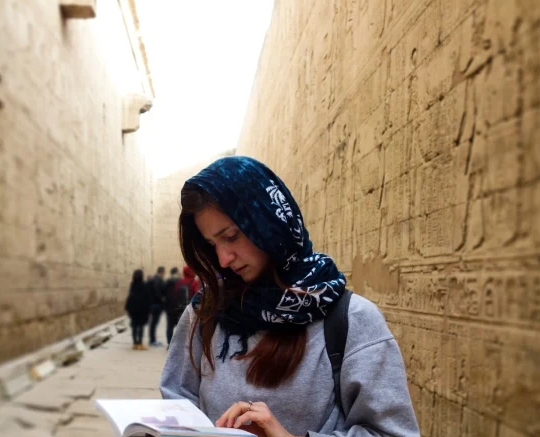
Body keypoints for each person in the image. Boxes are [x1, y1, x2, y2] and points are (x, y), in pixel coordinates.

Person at [160, 156, 419, 437]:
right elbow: (177, 401)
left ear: (269, 223)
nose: (223, 259)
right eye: (212, 244)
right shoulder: (206, 312)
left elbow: (392, 432)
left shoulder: (351, 319)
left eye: (232, 236)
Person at [165, 265, 202, 345]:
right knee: (186, 328)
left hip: (176, 307)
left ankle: (170, 344)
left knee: (171, 326)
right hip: (189, 308)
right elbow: (196, 295)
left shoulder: (179, 282)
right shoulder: (194, 282)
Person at [125, 269, 150, 350]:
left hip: (133, 309)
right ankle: (140, 343)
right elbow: (146, 298)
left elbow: (130, 296)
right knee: (140, 327)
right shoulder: (144, 284)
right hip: (142, 309)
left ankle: (135, 343)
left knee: (134, 326)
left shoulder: (132, 284)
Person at [148, 266, 167, 347]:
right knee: (154, 323)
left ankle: (152, 339)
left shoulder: (152, 279)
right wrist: (162, 299)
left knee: (153, 323)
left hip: (152, 304)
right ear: (162, 272)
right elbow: (158, 292)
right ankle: (152, 340)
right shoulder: (158, 280)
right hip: (157, 305)